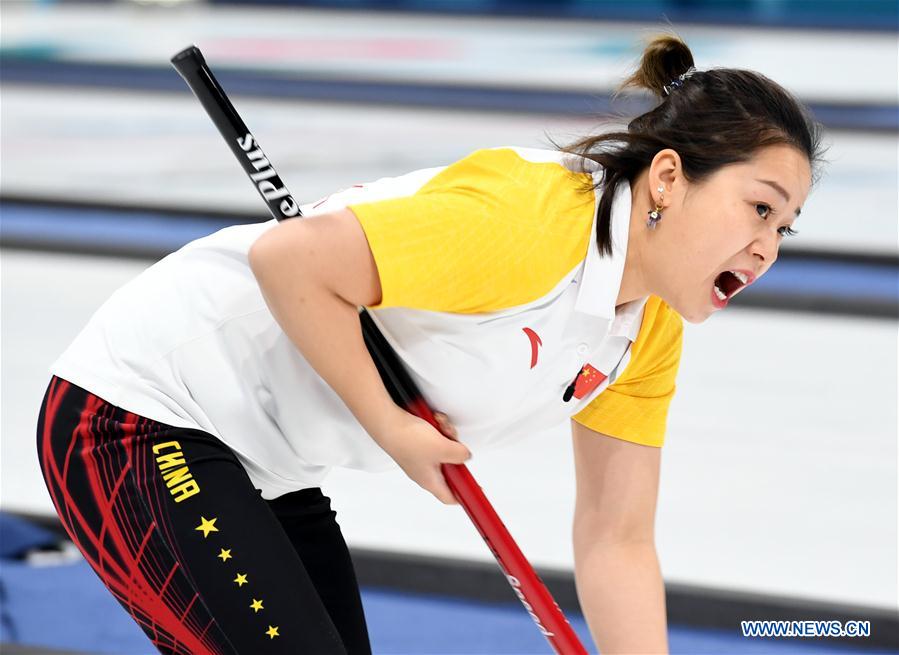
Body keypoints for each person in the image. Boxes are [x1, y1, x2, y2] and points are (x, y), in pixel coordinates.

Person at [36, 32, 825, 655]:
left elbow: (615, 538)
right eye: (759, 207)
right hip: (141, 415)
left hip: (267, 465)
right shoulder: (531, 222)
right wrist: (390, 424)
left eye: (783, 227)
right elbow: (291, 260)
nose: (767, 247)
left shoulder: (644, 328)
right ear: (667, 178)